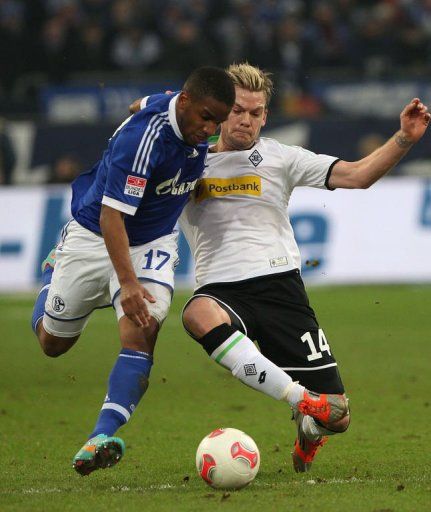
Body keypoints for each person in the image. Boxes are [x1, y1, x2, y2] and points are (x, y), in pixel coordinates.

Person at [177, 63, 430, 473]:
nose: (246, 120)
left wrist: (404, 137)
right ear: (222, 110)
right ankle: (301, 400)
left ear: (265, 116)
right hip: (222, 289)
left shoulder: (280, 157)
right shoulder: (186, 160)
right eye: (238, 110)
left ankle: (310, 427)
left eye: (256, 113)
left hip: (281, 289)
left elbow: (357, 176)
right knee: (196, 313)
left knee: (339, 416)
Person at [30, 66, 236, 476]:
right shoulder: (143, 140)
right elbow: (112, 218)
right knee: (52, 343)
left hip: (153, 241)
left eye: (218, 121)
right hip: (95, 233)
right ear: (186, 103)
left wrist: (133, 285)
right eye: (206, 118)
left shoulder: (180, 107)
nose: (211, 130)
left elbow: (139, 102)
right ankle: (56, 268)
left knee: (143, 329)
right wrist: (126, 284)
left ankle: (100, 435)